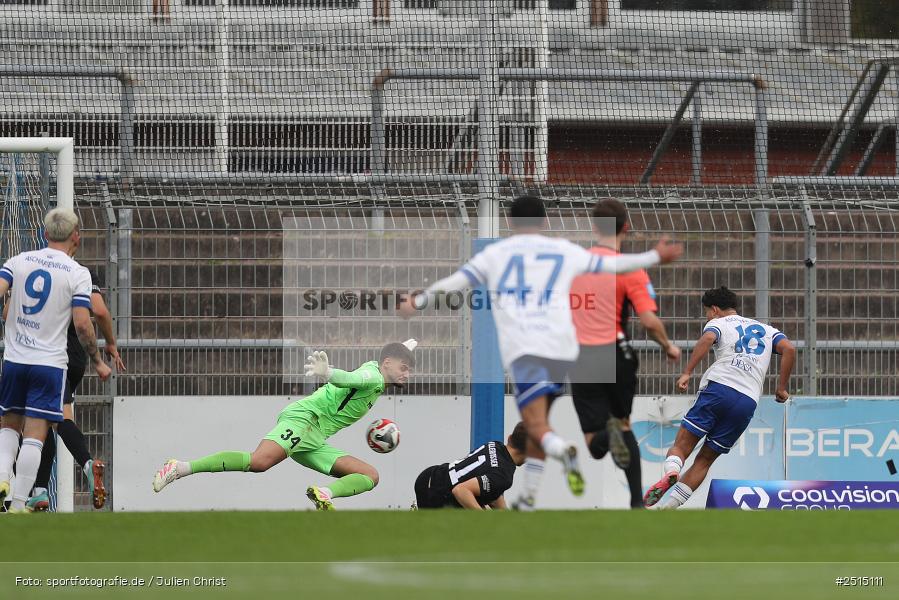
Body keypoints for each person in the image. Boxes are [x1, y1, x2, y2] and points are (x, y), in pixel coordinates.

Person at [400, 195, 682, 501]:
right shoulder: (564, 251)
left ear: (509, 222)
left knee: (537, 426)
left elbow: (455, 282)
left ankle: (546, 475)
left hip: (538, 352)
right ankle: (575, 494)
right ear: (544, 222)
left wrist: (418, 301)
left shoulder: (497, 255)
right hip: (572, 351)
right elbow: (617, 268)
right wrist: (655, 255)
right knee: (582, 425)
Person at [152, 341, 417, 511]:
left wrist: (408, 345)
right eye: (403, 367)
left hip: (315, 436)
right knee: (259, 462)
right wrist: (329, 373)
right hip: (305, 420)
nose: (407, 374)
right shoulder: (372, 377)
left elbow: (381, 362)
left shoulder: (378, 373)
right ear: (386, 364)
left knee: (370, 475)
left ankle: (324, 494)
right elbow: (350, 378)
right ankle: (180, 468)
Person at [0, 208, 112, 513]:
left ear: (45, 233)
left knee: (9, 426)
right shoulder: (77, 273)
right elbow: (84, 322)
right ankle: (22, 501)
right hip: (51, 363)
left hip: (15, 359)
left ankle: (3, 481)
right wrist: (98, 359)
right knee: (39, 431)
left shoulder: (19, 261)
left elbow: (6, 308)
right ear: (76, 236)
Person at [644, 286, 795, 509]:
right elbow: (789, 349)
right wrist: (781, 387)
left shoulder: (719, 323)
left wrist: (687, 372)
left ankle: (672, 471)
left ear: (714, 309)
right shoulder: (766, 329)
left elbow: (707, 339)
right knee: (705, 460)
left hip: (719, 388)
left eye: (706, 312)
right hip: (747, 400)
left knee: (682, 445)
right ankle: (666, 509)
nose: (707, 316)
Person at [17, 267, 125, 512]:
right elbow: (98, 310)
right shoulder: (84, 274)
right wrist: (110, 344)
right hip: (76, 358)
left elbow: (9, 313)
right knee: (45, 420)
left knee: (55, 420)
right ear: (74, 239)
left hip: (50, 356)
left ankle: (87, 465)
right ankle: (40, 492)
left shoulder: (35, 271)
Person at [414, 422, 527, 510]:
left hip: (432, 475)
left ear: (509, 438)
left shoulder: (496, 445)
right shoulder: (503, 475)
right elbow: (460, 490)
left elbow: (492, 491)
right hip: (436, 492)